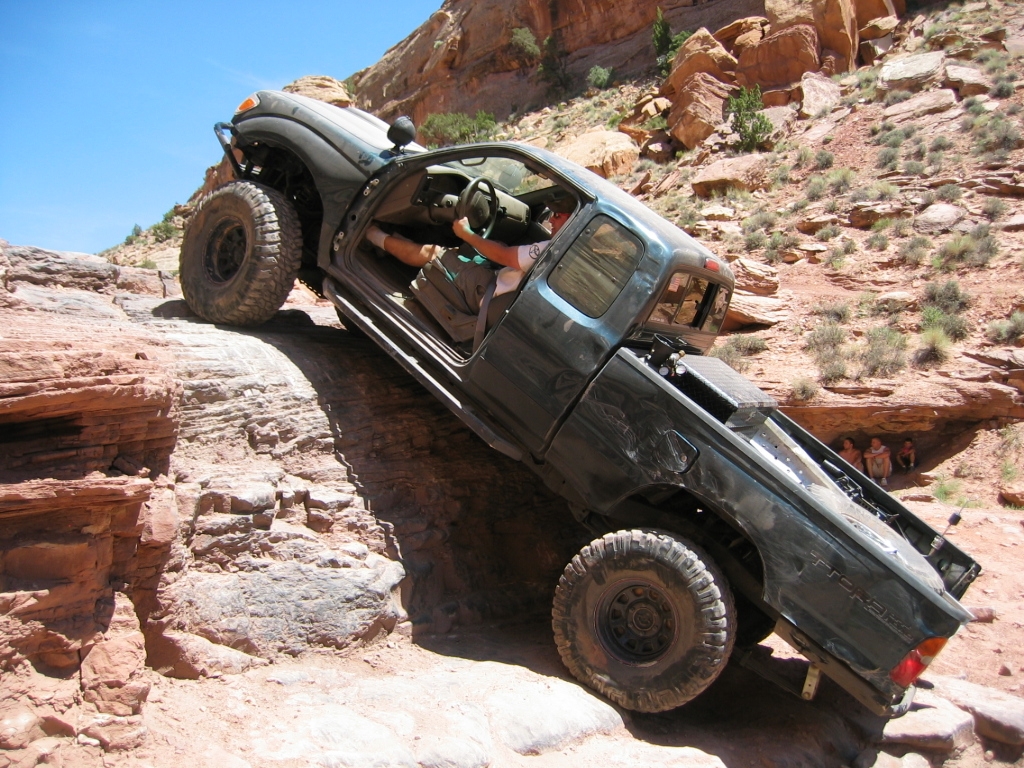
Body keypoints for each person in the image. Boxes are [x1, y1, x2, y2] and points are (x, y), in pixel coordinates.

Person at [364, 197, 574, 337]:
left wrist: (466, 233)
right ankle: (394, 241)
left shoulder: (553, 248)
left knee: (434, 254)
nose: (551, 221)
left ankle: (371, 235)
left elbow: (503, 256)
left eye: (558, 216)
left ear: (572, 221)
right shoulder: (573, 254)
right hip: (498, 288)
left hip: (485, 293)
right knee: (478, 249)